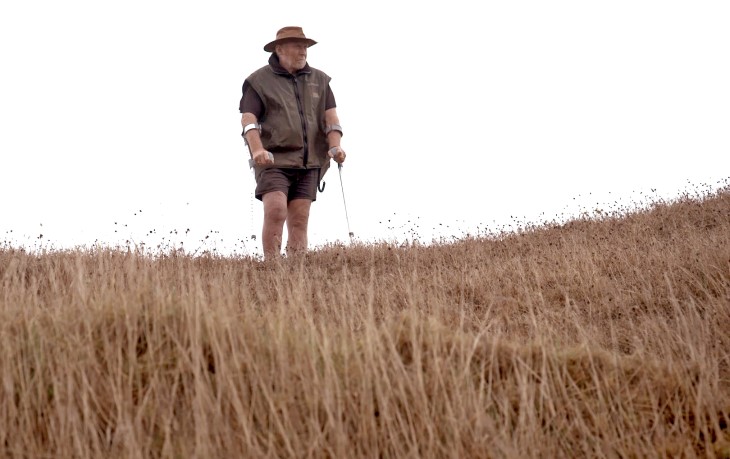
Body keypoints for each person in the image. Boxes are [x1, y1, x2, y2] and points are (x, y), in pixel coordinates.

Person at [239, 26, 346, 260]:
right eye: (298, 45)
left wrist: (335, 145)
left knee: (299, 217)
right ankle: (271, 267)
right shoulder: (258, 81)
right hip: (273, 160)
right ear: (279, 49)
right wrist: (257, 149)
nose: (303, 50)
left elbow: (332, 119)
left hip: (309, 162)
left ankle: (296, 273)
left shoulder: (320, 80)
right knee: (276, 209)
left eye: (305, 46)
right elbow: (249, 120)